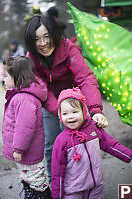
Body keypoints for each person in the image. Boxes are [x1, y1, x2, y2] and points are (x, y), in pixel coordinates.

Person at [24, 13, 108, 181]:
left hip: (74, 101)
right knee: (51, 144)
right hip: (50, 103)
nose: (43, 43)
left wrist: (95, 110)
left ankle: (79, 181)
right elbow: (41, 89)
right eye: (37, 39)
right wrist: (59, 111)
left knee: (75, 140)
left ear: (54, 34)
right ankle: (55, 179)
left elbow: (86, 78)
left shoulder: (68, 48)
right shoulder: (31, 58)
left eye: (47, 37)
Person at [51, 87, 132, 199]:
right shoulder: (61, 141)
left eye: (75, 111)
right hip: (73, 191)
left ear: (84, 111)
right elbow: (57, 171)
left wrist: (129, 155)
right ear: (60, 115)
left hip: (96, 186)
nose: (70, 117)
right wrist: (57, 195)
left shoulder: (93, 128)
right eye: (65, 113)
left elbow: (111, 145)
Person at [2, 56, 52, 199]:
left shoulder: (24, 99)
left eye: (6, 76)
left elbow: (25, 128)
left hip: (27, 152)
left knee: (35, 179)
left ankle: (40, 196)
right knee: (29, 177)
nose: (3, 80)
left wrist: (18, 148)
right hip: (26, 153)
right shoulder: (20, 96)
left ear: (17, 77)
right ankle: (32, 192)